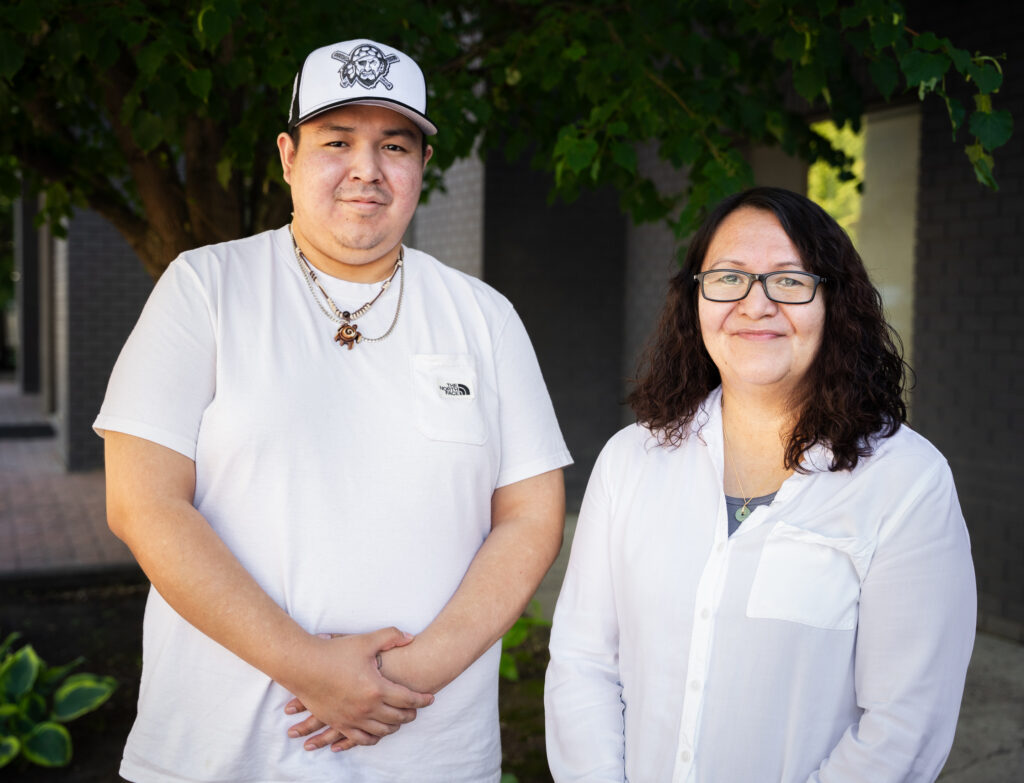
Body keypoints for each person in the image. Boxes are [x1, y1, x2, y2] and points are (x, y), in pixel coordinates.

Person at [96, 38, 571, 782]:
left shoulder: (484, 317)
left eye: (394, 145)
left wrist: (411, 673)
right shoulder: (206, 290)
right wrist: (309, 667)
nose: (367, 170)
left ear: (421, 166)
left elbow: (533, 514)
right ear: (287, 156)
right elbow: (141, 502)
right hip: (219, 756)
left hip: (429, 751)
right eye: (337, 141)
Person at [544, 187, 976, 782]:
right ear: (695, 297)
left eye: (789, 281)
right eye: (728, 278)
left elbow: (906, 724)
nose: (756, 304)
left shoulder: (906, 481)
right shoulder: (630, 460)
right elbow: (583, 663)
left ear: (833, 301)